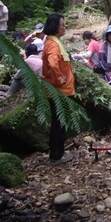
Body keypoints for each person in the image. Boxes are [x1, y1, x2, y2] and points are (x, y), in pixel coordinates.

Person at [42, 13, 75, 166]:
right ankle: (56, 155)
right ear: (55, 26)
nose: (64, 27)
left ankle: (58, 152)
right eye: (62, 24)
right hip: (59, 91)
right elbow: (53, 64)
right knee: (59, 123)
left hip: (61, 90)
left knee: (59, 122)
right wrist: (60, 79)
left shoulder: (53, 42)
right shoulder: (53, 45)